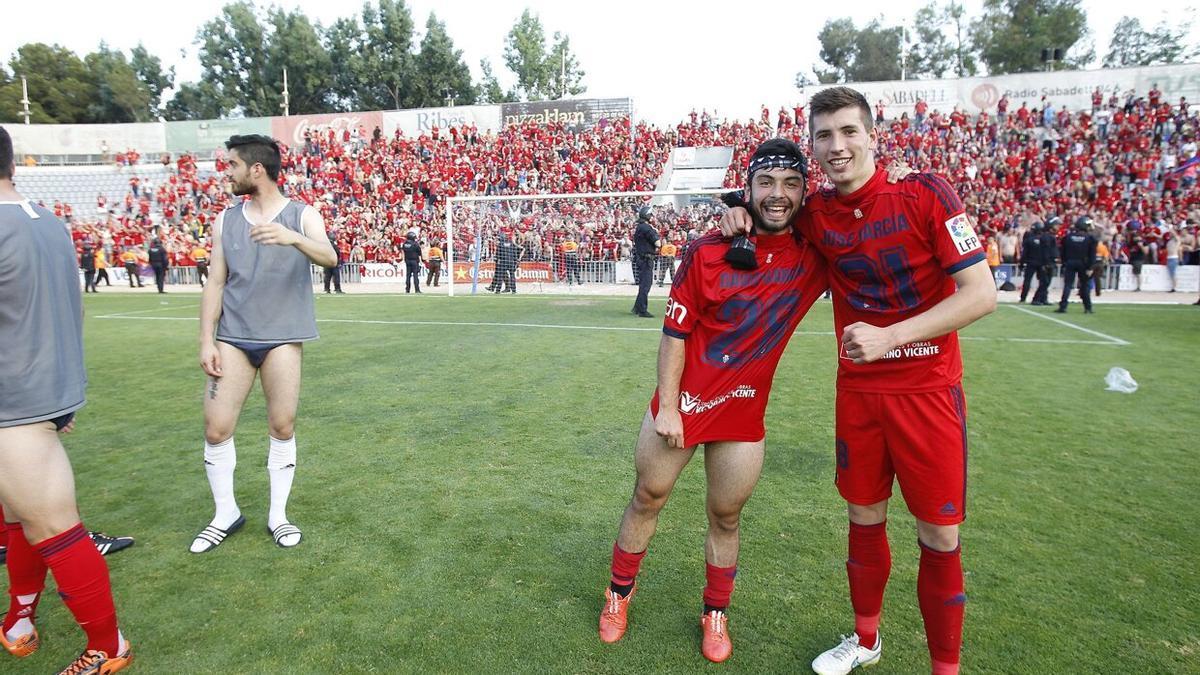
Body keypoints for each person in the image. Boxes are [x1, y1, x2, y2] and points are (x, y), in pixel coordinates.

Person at [720, 87, 996, 675]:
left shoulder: (927, 194)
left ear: (872, 134)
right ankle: (866, 641)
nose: (837, 146)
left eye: (848, 131)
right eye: (824, 135)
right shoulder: (816, 214)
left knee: (939, 535)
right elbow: (769, 217)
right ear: (813, 145)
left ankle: (945, 668)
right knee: (864, 518)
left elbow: (982, 294)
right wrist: (735, 212)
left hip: (928, 391)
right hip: (861, 395)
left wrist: (892, 337)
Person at [599, 138, 828, 663]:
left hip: (743, 415)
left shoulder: (815, 257)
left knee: (726, 517)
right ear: (747, 189)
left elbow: (850, 207)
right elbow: (674, 335)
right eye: (765, 183)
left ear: (803, 192)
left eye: (791, 183)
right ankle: (617, 595)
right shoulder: (706, 252)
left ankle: (716, 612)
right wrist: (670, 407)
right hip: (686, 404)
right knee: (647, 498)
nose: (778, 195)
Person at [0, 125, 133, 673]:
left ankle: (107, 646)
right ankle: (20, 616)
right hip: (42, 392)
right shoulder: (50, 222)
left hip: (13, 399)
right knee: (20, 514)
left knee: (54, 526)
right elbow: (71, 309)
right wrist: (64, 394)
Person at [191, 134, 336, 554]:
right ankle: (225, 514)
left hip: (283, 339)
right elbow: (215, 281)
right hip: (233, 339)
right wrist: (206, 341)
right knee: (216, 428)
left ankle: (278, 516)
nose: (228, 173)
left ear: (257, 169)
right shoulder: (226, 219)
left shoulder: (302, 215)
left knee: (282, 426)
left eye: (232, 165)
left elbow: (330, 257)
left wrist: (293, 238)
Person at [1056, 216, 1097, 314]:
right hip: (1083, 263)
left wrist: (1065, 262)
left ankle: (1063, 306)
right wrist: (1091, 267)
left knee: (1068, 285)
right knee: (1085, 286)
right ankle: (1088, 307)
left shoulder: (1068, 237)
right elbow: (1092, 254)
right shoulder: (1090, 238)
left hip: (1070, 262)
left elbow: (1063, 251)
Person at [631, 206, 659, 317]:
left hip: (640, 258)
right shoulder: (647, 228)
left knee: (643, 284)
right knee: (646, 285)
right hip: (646, 259)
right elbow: (658, 243)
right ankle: (642, 310)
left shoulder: (639, 227)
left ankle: (637, 307)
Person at [1018, 223, 1046, 304]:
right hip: (1041, 263)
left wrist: (1021, 264)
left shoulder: (1029, 240)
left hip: (1031, 262)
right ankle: (1039, 297)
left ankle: (1023, 298)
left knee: (1027, 281)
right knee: (1042, 281)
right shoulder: (1044, 239)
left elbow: (1024, 253)